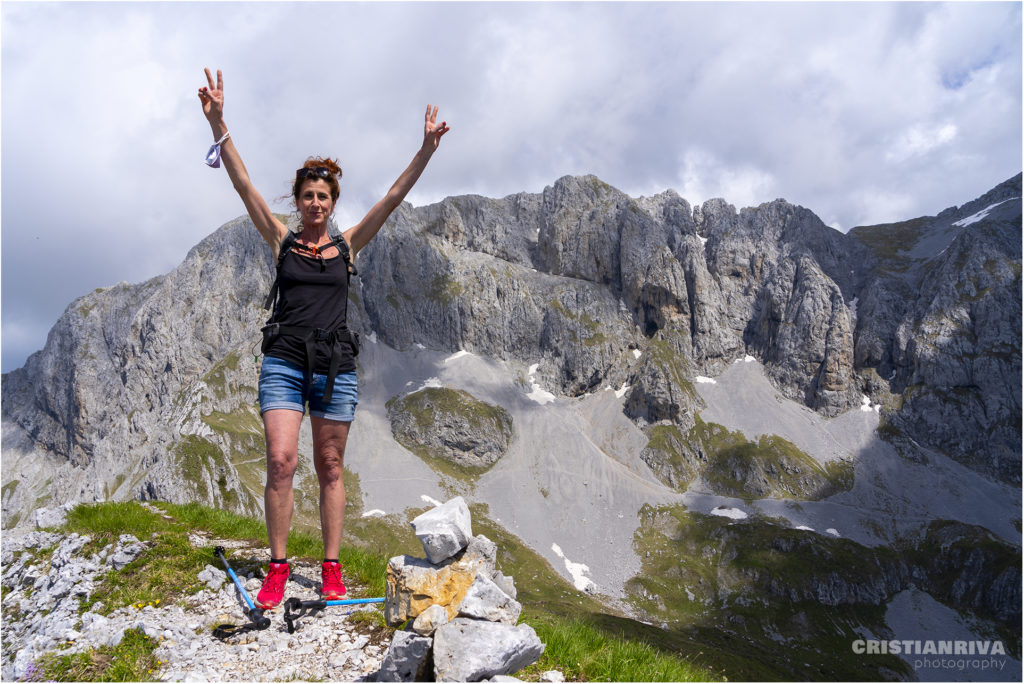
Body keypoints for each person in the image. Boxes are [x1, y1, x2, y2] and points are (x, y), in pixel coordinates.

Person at [198, 68, 449, 609]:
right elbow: (243, 185)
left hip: (334, 364)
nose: (315, 204)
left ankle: (331, 567)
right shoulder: (281, 239)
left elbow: (394, 196)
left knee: (330, 466)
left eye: (323, 196)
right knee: (281, 460)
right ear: (299, 200)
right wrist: (220, 125)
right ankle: (279, 567)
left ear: (333, 202)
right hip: (285, 361)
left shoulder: (349, 245)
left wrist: (425, 149)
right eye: (308, 196)